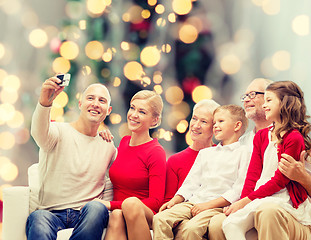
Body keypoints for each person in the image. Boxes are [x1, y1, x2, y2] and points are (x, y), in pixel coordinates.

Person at [26, 76, 116, 240]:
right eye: (90, 98)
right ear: (80, 104)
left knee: (97, 208)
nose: (95, 103)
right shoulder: (57, 132)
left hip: (86, 215)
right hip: (50, 214)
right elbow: (38, 133)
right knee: (38, 218)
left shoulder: (108, 146)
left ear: (108, 110)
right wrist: (45, 103)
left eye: (102, 100)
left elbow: (118, 181)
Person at [222, 81, 311, 240]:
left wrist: (246, 201)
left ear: (285, 103)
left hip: (280, 198)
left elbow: (279, 181)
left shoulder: (294, 138)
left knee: (267, 212)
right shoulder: (262, 136)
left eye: (269, 100)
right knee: (230, 224)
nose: (264, 105)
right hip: (258, 196)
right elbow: (252, 176)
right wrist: (242, 202)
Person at [152, 104, 250, 240]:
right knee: (159, 219)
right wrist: (175, 200)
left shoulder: (244, 152)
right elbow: (191, 183)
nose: (215, 125)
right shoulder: (205, 153)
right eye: (214, 122)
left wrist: (207, 205)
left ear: (237, 126)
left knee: (191, 229)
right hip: (194, 202)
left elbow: (238, 189)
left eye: (221, 121)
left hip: (217, 207)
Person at [96, 90, 166, 240]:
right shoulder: (124, 142)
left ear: (154, 121)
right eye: (132, 108)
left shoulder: (156, 152)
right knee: (116, 215)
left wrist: (110, 205)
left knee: (129, 205)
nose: (134, 114)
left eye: (142, 111)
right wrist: (99, 135)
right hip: (118, 212)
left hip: (143, 213)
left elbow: (156, 201)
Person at [164, 99, 220, 203]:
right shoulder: (174, 161)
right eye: (194, 119)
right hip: (180, 215)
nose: (196, 125)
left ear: (214, 127)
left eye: (203, 121)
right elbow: (168, 201)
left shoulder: (222, 156)